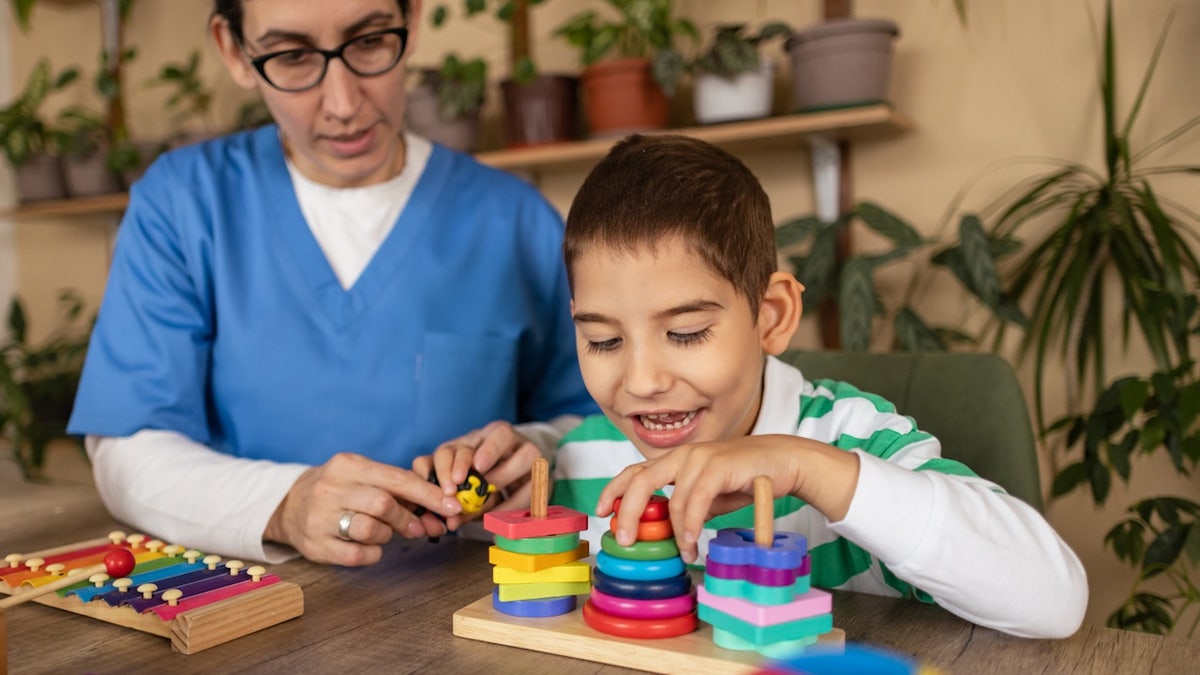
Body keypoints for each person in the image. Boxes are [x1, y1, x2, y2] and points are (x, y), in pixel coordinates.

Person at [67, 0, 596, 568]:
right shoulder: (182, 205)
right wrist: (283, 506)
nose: (344, 104)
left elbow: (591, 425)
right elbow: (128, 450)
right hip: (248, 612)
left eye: (369, 43)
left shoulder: (513, 220)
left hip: (473, 610)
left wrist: (530, 454)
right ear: (234, 50)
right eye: (292, 56)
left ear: (412, 21)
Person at [546, 134, 1088, 639]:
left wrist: (805, 467)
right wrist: (492, 468)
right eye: (603, 341)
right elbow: (531, 478)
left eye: (686, 333)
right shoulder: (583, 457)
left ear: (772, 316)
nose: (643, 382)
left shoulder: (851, 442)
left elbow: (1056, 598)